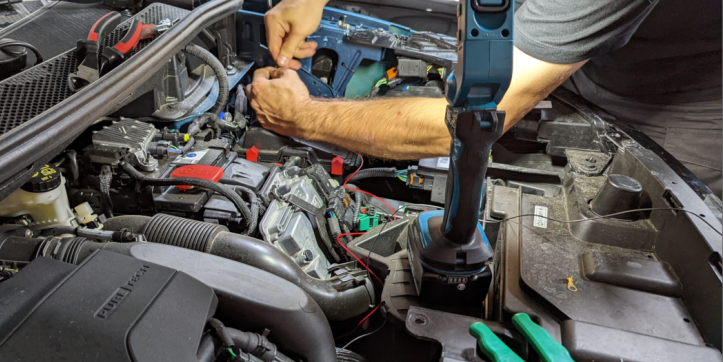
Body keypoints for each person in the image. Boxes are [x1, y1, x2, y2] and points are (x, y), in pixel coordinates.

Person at [246, 0, 723, 197]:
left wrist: (302, 115)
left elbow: (463, 120)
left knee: (620, 224)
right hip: (580, 54)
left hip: (661, 117)